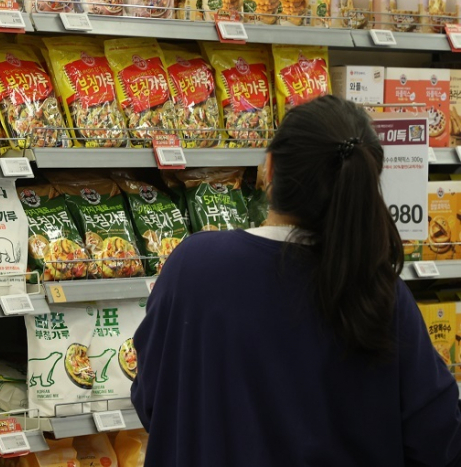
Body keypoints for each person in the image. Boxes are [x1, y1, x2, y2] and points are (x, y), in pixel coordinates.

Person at [131, 95, 461, 466]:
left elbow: (152, 399)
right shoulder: (379, 292)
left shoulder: (193, 267)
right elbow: (437, 437)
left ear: (269, 168)